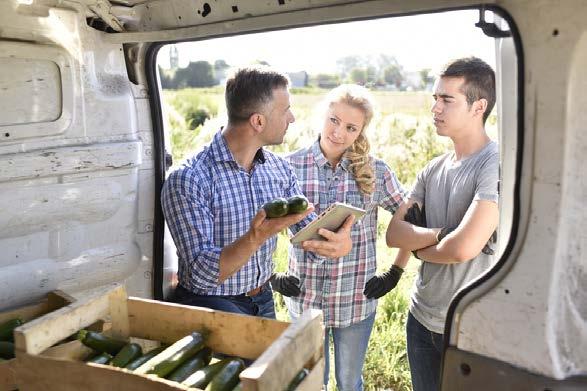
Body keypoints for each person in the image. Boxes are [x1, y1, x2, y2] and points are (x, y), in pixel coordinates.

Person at [161, 66, 354, 319]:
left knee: (269, 360)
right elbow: (199, 275)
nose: (292, 118)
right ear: (258, 121)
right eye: (285, 111)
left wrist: (335, 243)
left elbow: (309, 234)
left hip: (262, 299)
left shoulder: (280, 169)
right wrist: (255, 237)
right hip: (210, 303)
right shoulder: (188, 179)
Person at [273, 84, 411, 391]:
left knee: (349, 383)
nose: (338, 133)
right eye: (334, 120)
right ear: (323, 115)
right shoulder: (288, 167)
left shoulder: (376, 172)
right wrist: (272, 276)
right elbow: (258, 227)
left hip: (355, 300)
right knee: (310, 384)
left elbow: (411, 221)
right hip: (304, 300)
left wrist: (395, 273)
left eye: (351, 127)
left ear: (361, 132)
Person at [386, 57, 499, 391]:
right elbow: (393, 234)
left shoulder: (495, 164)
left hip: (470, 328)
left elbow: (463, 248)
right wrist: (440, 236)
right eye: (435, 98)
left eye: (446, 100)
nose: (435, 108)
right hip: (420, 318)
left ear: (479, 106)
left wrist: (419, 247)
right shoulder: (432, 169)